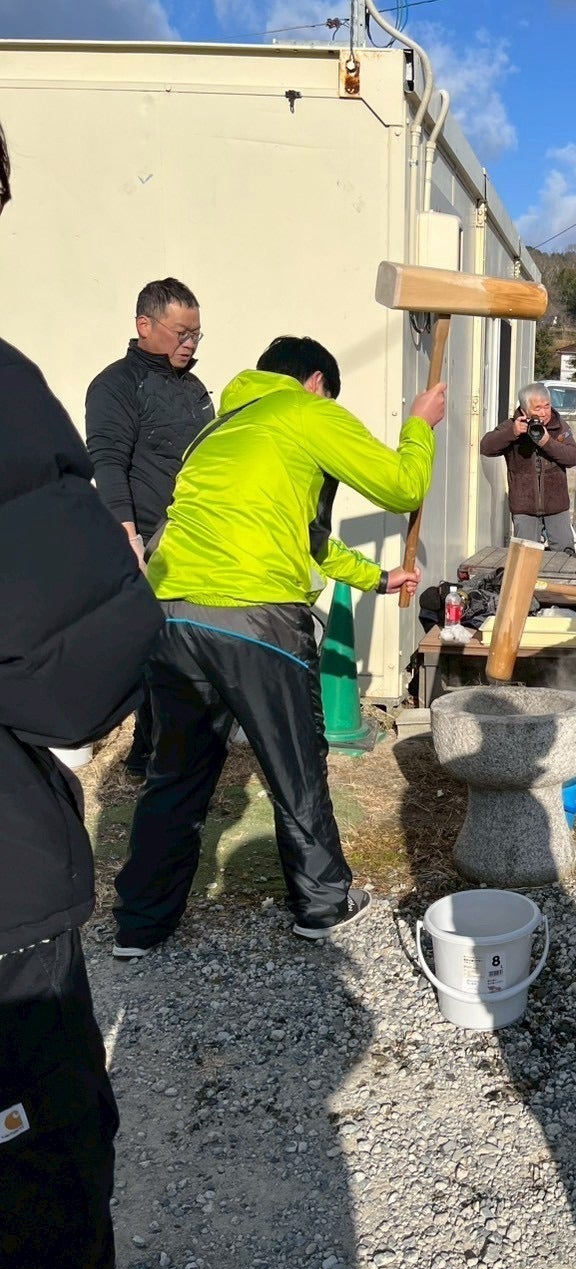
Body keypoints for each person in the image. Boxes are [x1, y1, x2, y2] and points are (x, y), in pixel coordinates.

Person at [112, 337, 446, 957]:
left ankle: (140, 925)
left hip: (173, 615)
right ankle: (322, 904)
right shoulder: (304, 411)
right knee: (295, 765)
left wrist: (377, 578)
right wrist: (420, 427)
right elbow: (402, 487)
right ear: (315, 382)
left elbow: (306, 537)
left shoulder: (216, 433)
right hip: (257, 617)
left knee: (175, 774)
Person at [0, 120, 164, 1269]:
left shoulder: (213, 403)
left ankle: (162, 912)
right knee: (34, 1265)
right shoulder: (56, 391)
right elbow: (79, 672)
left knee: (189, 768)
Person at [86, 276, 215, 776]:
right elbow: (108, 464)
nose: (190, 343)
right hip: (145, 539)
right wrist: (129, 539)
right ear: (145, 325)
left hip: (192, 538)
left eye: (196, 334)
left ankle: (164, 748)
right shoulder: (116, 385)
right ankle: (148, 753)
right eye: (182, 333)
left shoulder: (194, 389)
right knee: (155, 651)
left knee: (185, 648)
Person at [480, 382, 576, 549]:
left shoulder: (558, 425)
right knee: (526, 556)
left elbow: (573, 457)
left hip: (556, 505)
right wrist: (512, 432)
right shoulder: (513, 425)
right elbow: (486, 447)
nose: (544, 413)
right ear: (525, 410)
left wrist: (547, 442)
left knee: (565, 553)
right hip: (524, 507)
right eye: (537, 408)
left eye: (547, 406)